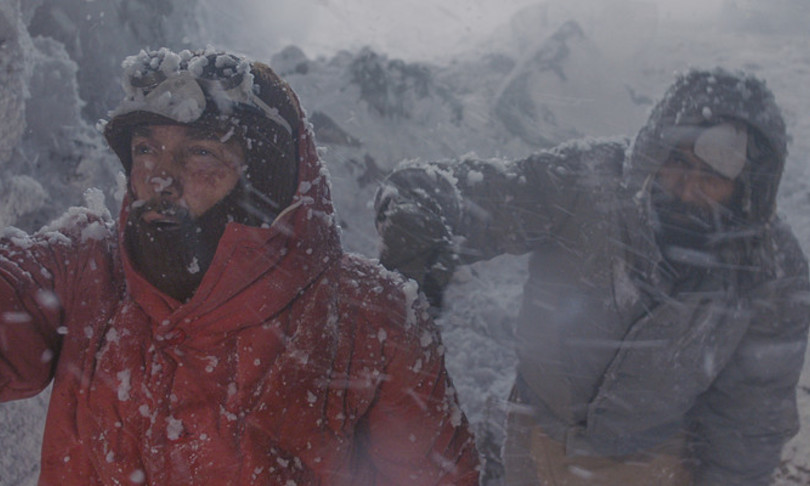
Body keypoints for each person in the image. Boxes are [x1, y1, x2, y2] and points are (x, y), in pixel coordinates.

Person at [0, 47, 480, 485]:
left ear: (264, 178)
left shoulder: (372, 319)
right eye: (146, 148)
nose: (160, 177)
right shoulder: (87, 268)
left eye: (201, 152)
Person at [374, 68, 810, 485]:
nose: (686, 185)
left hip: (657, 460)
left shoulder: (771, 268)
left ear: (749, 185)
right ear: (653, 149)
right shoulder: (588, 181)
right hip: (535, 434)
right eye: (675, 159)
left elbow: (751, 415)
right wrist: (421, 208)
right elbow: (480, 196)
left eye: (713, 175)